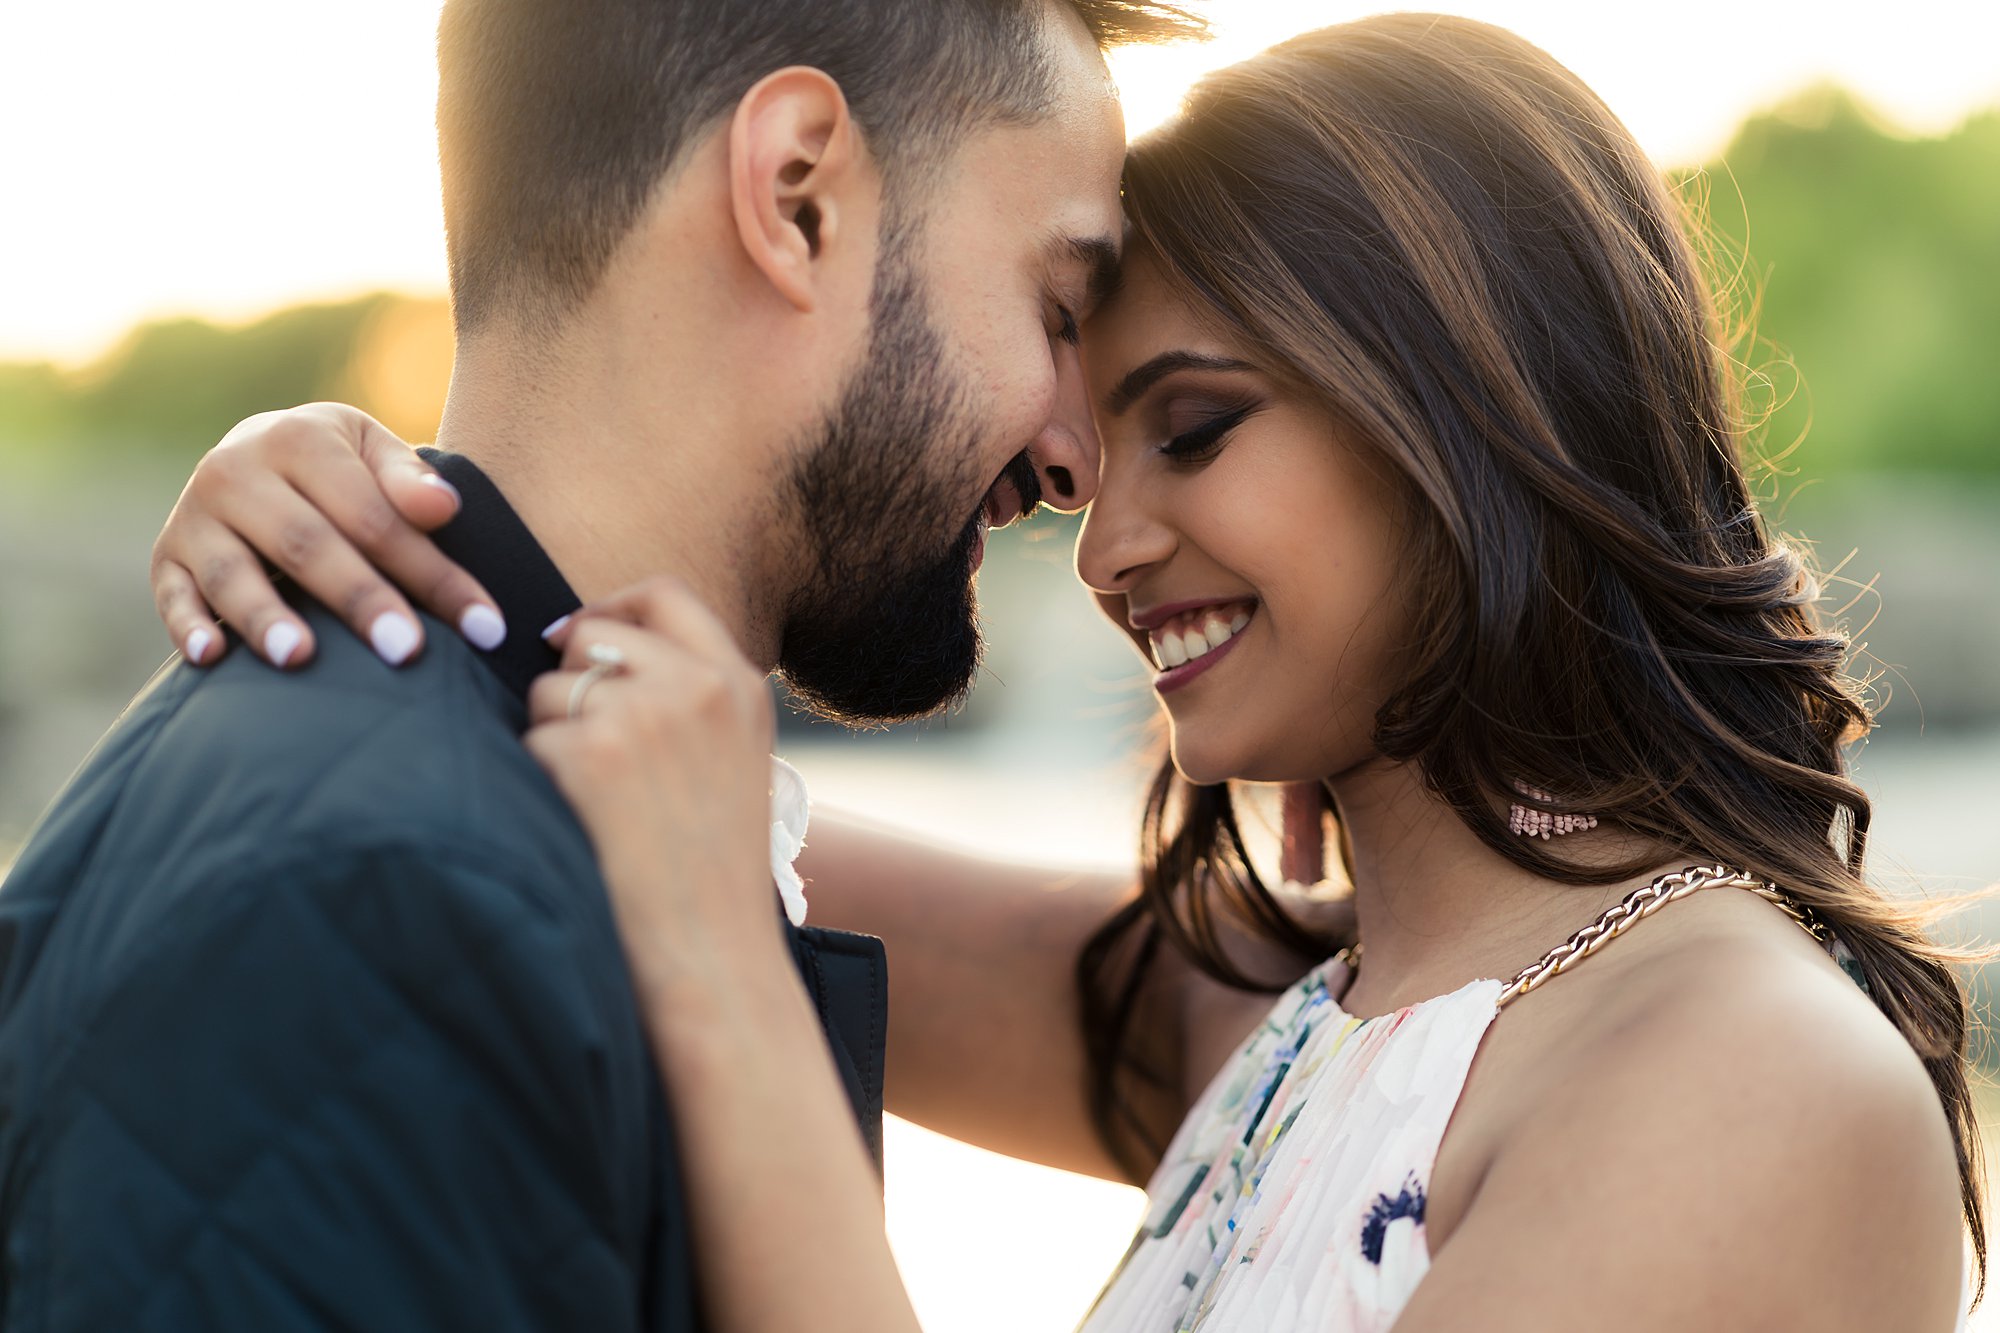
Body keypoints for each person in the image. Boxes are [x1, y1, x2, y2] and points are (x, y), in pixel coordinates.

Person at [142, 14, 1979, 1332]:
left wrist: (724, 987)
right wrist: (373, 507)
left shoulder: (1744, 1087)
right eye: (1099, 459)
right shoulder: (1286, 1017)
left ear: (1472, 406)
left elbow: (700, 870)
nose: (1101, 551)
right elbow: (619, 769)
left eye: (1194, 430)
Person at [0, 1, 1207, 1328]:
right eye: (1054, 306)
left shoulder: (575, 824)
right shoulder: (381, 900)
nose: (1076, 458)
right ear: (797, 195)